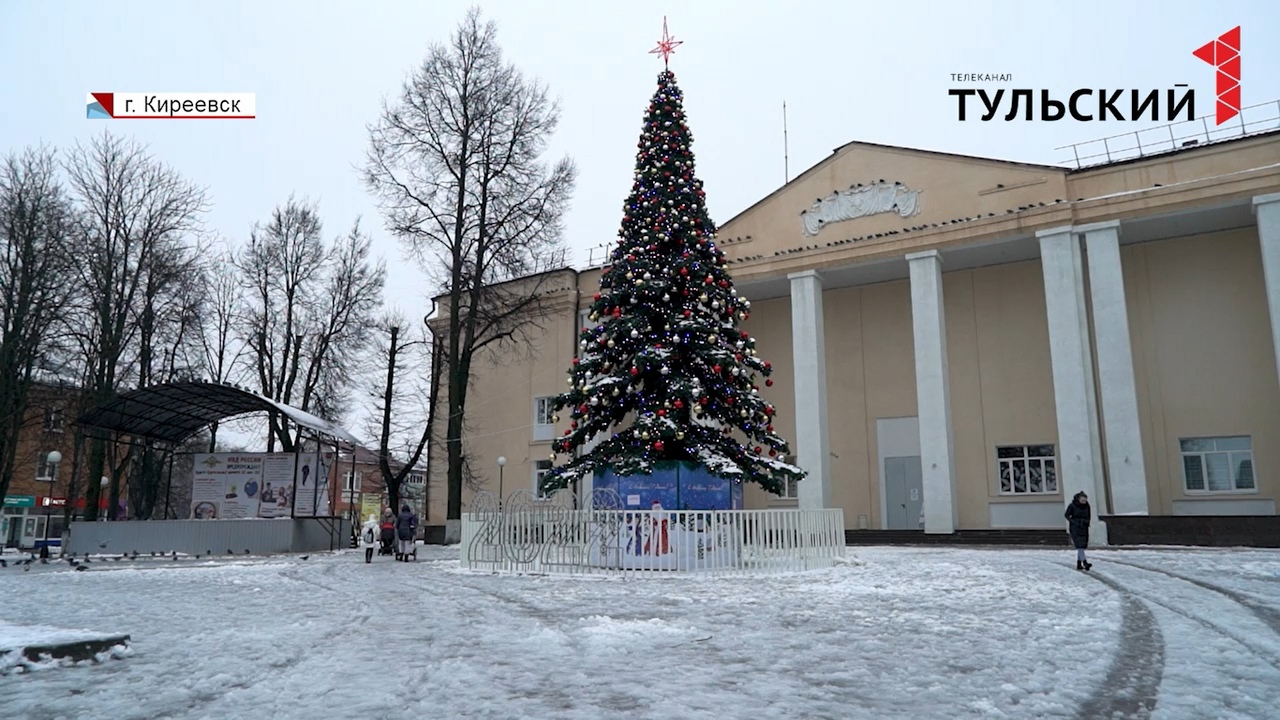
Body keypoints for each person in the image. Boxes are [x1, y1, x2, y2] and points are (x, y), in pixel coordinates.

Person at [1065, 491, 1093, 571]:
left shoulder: (1087, 506)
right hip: (1075, 527)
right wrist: (1073, 521)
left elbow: (1089, 515)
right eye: (1082, 500)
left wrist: (1087, 522)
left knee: (1082, 546)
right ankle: (1085, 562)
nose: (1084, 501)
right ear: (1078, 499)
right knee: (1079, 545)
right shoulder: (1072, 505)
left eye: (1085, 500)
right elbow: (1066, 515)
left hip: (1083, 527)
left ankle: (1079, 564)